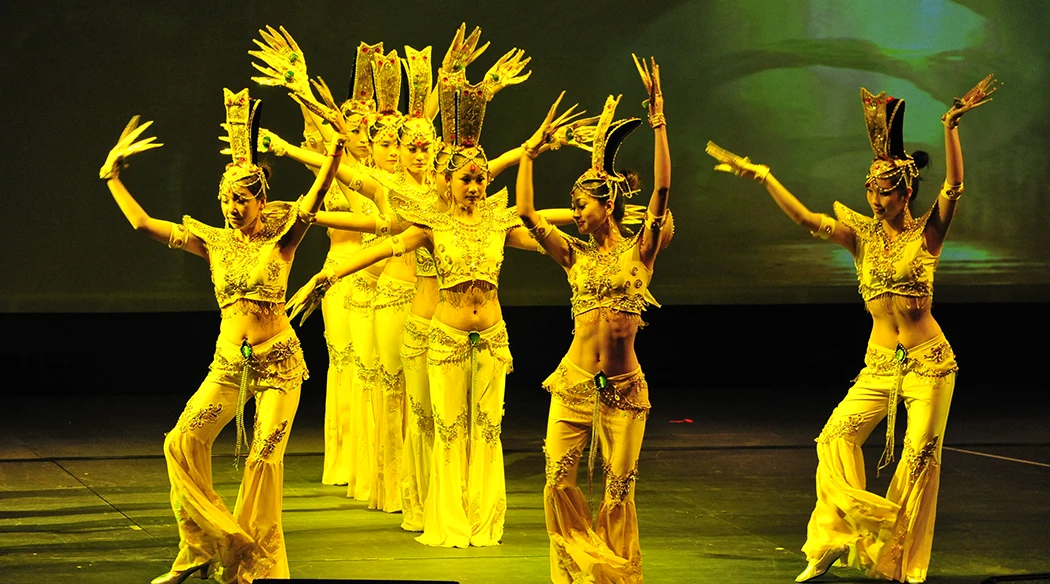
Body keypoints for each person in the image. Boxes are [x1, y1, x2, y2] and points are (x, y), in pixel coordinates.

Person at [705, 74, 998, 584]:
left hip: (930, 364)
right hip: (879, 366)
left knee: (920, 459)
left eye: (882, 190)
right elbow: (805, 220)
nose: (872, 197)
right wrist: (764, 176)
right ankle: (837, 536)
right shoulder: (859, 237)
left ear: (905, 191)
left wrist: (950, 127)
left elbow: (953, 187)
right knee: (833, 439)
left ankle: (898, 563)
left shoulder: (928, 234)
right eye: (868, 187)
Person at [287, 71, 583, 546]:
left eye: (480, 178)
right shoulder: (428, 219)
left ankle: (482, 516)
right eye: (466, 177)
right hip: (436, 333)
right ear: (449, 179)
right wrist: (327, 275)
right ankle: (439, 512)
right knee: (441, 426)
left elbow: (539, 226)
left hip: (490, 336)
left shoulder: (496, 219)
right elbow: (384, 244)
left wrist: (592, 220)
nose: (475, 185)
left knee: (486, 428)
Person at [100, 89, 344, 583]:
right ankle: (208, 545)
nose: (232, 206)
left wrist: (335, 152)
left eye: (242, 198)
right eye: (226, 198)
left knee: (262, 456)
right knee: (182, 441)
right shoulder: (211, 241)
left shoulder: (284, 236)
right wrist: (112, 177)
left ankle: (253, 565)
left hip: (278, 365)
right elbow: (144, 225)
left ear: (261, 200)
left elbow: (314, 200)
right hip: (229, 366)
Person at [515, 55, 671, 583]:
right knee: (557, 479)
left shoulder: (639, 254)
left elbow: (662, 192)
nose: (576, 213)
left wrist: (658, 123)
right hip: (574, 382)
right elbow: (528, 216)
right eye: (574, 205)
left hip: (625, 387)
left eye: (581, 204)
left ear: (607, 205)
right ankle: (576, 570)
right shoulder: (574, 257)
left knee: (617, 488)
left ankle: (615, 574)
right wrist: (530, 155)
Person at [250, 28, 387, 495]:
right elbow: (315, 146)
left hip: (388, 279)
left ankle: (382, 466)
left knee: (382, 376)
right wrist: (302, 91)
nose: (359, 130)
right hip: (346, 276)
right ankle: (353, 461)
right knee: (351, 368)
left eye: (365, 125)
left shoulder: (386, 177)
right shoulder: (334, 171)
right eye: (350, 123)